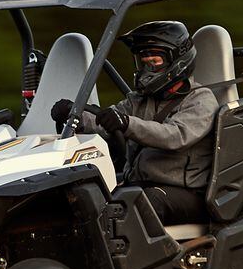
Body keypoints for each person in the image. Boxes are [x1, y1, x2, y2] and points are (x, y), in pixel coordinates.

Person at [50, 20, 218, 224]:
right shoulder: (139, 99)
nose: (146, 70)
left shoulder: (201, 100)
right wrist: (73, 114)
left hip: (184, 192)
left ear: (177, 60)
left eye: (153, 63)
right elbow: (106, 121)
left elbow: (174, 136)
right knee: (84, 199)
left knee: (138, 204)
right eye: (143, 62)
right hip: (139, 184)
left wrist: (127, 123)